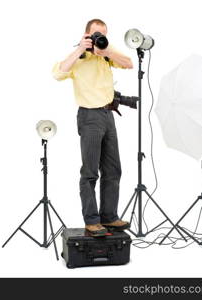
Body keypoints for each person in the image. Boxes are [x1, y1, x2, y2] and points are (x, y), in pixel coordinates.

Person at [52, 19, 133, 237]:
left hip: (108, 115)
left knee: (114, 170)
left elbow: (129, 63)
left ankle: (109, 217)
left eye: (103, 34)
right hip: (89, 116)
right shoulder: (78, 57)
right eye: (96, 34)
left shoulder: (106, 51)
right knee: (90, 172)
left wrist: (105, 52)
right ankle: (92, 220)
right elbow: (58, 73)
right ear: (87, 34)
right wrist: (81, 49)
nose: (99, 37)